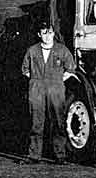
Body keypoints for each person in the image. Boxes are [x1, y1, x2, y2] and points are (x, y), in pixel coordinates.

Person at [20, 22, 76, 163]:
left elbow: (70, 68)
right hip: (37, 88)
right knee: (36, 122)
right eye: (44, 33)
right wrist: (36, 80)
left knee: (58, 121)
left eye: (50, 32)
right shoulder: (32, 51)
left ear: (54, 34)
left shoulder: (62, 50)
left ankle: (60, 156)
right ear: (39, 34)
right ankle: (34, 156)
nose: (47, 36)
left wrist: (58, 79)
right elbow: (25, 69)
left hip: (56, 88)